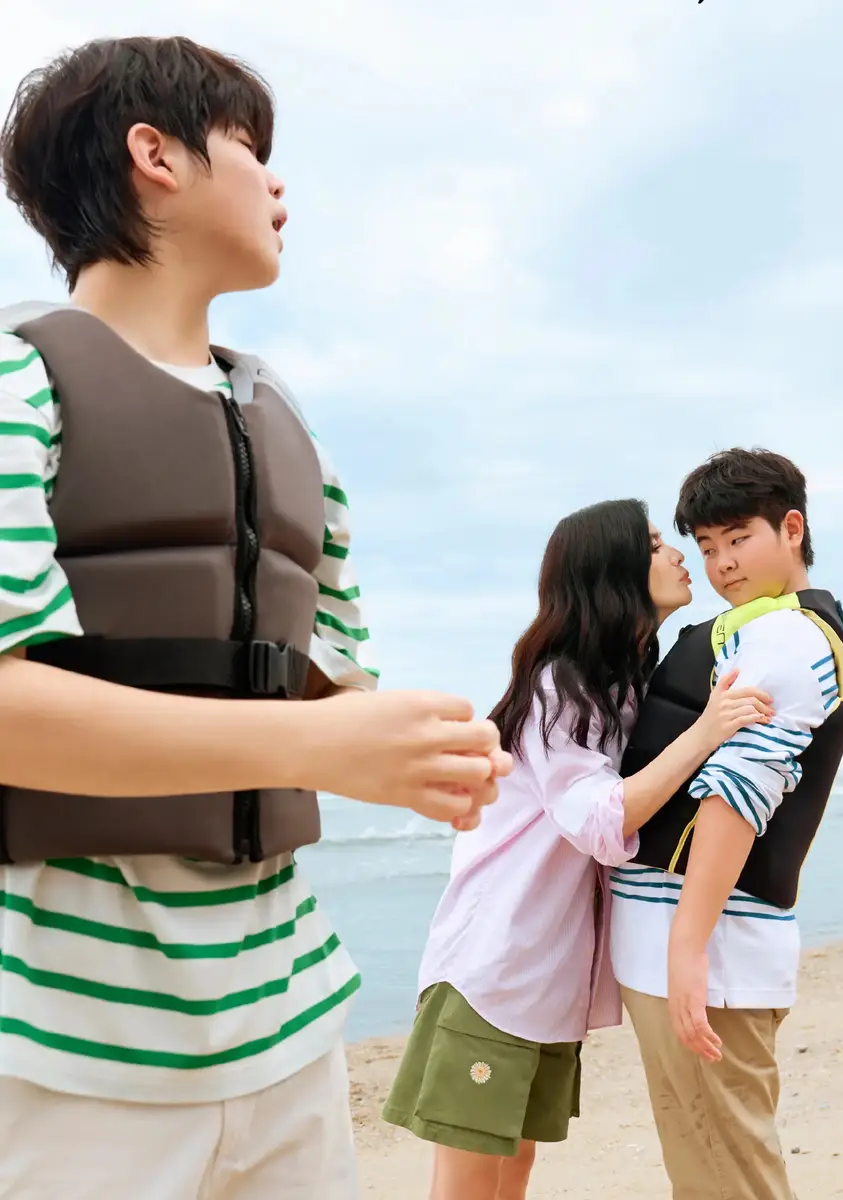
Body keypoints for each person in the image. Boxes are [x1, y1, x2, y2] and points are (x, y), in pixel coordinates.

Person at [0, 36, 509, 1200]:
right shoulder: (17, 386)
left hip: (292, 1020)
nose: (278, 184)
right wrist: (320, 743)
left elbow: (334, 688)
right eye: (249, 146)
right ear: (156, 155)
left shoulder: (292, 434)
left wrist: (419, 753)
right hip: (64, 1047)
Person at [381, 498, 775, 1200]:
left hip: (551, 978)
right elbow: (598, 819)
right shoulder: (561, 686)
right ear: (613, 570)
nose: (680, 554)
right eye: (654, 545)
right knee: (470, 1178)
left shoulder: (624, 687)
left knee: (516, 1165)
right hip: (496, 968)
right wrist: (707, 731)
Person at [610, 448, 843, 1200]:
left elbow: (738, 792)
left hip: (705, 950)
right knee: (709, 1171)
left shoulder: (788, 637)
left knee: (728, 1178)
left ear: (792, 529)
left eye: (739, 539)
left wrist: (686, 950)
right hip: (681, 947)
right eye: (708, 546)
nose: (722, 564)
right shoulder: (752, 629)